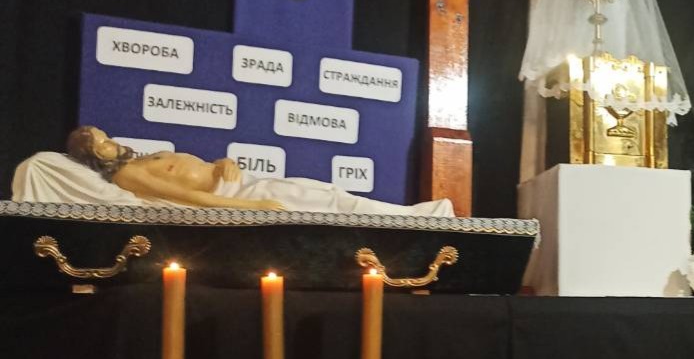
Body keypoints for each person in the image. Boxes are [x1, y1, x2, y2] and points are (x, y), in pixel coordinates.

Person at [42, 127, 453, 217]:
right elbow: (185, 199)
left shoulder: (146, 155)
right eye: (100, 144)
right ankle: (415, 220)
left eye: (105, 136)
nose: (109, 142)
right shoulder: (126, 174)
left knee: (330, 196)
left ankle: (415, 216)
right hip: (236, 200)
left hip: (241, 185)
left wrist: (225, 163)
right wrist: (246, 209)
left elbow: (203, 165)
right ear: (93, 155)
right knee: (327, 206)